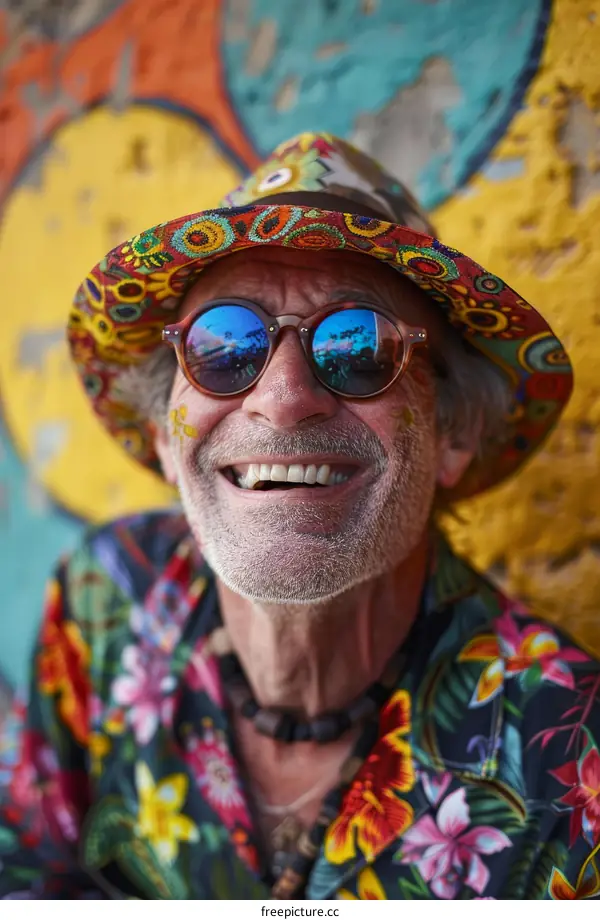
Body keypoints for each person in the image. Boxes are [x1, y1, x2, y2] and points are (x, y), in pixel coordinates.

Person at [1, 132, 598, 901]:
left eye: (359, 349)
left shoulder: (568, 752)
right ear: (163, 434)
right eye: (224, 348)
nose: (282, 400)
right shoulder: (106, 596)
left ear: (453, 432)